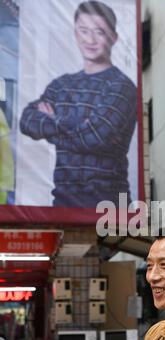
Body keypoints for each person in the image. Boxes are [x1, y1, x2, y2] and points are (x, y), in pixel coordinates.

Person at [20, 1, 137, 208]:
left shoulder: (122, 87)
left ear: (114, 38)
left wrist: (52, 123)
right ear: (75, 34)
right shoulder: (62, 85)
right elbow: (27, 121)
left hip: (109, 205)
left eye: (99, 32)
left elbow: (96, 136)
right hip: (62, 203)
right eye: (83, 31)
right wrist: (78, 124)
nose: (90, 40)